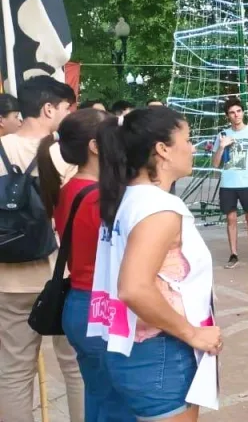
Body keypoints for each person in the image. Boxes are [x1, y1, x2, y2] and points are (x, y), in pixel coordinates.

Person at [93, 106, 221, 421]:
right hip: (161, 352)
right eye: (187, 140)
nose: (193, 148)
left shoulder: (130, 198)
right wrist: (192, 333)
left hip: (138, 348)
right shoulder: (158, 208)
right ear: (162, 149)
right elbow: (134, 288)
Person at [38, 109, 135, 422]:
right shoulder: (99, 198)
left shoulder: (69, 188)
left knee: (98, 397)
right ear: (95, 146)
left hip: (79, 304)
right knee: (119, 405)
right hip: (102, 306)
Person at [0, 76, 85, 422]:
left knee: (13, 370)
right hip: (60, 275)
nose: (68, 116)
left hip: (7, 278)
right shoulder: (64, 154)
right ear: (49, 108)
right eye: (66, 108)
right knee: (76, 366)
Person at [210, 97, 248, 268]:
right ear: (227, 116)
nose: (236, 115)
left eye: (239, 111)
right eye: (232, 112)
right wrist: (222, 146)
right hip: (228, 184)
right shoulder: (222, 135)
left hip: (247, 183)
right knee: (231, 219)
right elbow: (215, 164)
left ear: (243, 112)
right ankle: (233, 254)